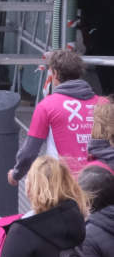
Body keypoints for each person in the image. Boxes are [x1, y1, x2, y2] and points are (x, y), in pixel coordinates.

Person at [10, 49, 102, 183]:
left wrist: (16, 174)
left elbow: (29, 152)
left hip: (64, 184)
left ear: (55, 73)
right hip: (100, 182)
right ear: (79, 73)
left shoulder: (47, 106)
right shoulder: (103, 104)